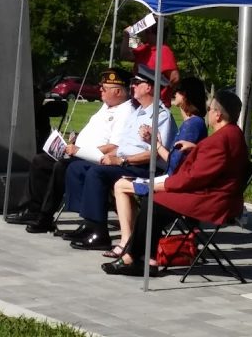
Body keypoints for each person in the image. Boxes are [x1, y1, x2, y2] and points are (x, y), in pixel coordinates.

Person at [101, 90, 248, 276]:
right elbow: (217, 162)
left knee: (153, 201)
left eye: (210, 109)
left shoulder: (220, 140)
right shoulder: (233, 133)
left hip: (212, 199)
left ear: (217, 115)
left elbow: (193, 178)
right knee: (154, 202)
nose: (208, 113)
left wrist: (160, 185)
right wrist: (196, 148)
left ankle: (134, 257)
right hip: (216, 193)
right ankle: (148, 258)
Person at [7, 67, 134, 232]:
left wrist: (80, 149)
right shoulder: (106, 106)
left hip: (92, 157)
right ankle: (33, 209)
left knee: (61, 167)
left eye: (104, 88)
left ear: (118, 91)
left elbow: (114, 146)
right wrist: (76, 139)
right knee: (41, 161)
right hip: (77, 152)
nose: (100, 90)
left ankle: (45, 217)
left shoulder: (125, 112)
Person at [66, 66, 176, 251]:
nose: (132, 87)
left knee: (97, 174)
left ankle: (99, 232)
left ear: (148, 88)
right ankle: (89, 223)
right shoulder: (137, 113)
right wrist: (104, 156)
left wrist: (122, 161)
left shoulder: (161, 116)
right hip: (124, 162)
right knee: (77, 167)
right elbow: (122, 146)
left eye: (136, 84)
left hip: (144, 167)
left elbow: (154, 153)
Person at [107, 76, 207, 259]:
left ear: (184, 96)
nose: (172, 95)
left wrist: (155, 144)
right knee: (121, 184)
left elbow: (175, 165)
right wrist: (156, 143)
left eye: (176, 92)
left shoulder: (192, 125)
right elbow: (175, 160)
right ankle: (130, 240)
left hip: (173, 182)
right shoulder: (192, 123)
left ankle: (127, 242)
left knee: (121, 185)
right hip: (173, 177)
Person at [120, 23, 179, 106]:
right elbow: (126, 54)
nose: (144, 33)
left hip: (155, 105)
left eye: (146, 30)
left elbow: (174, 78)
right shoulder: (145, 48)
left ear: (151, 32)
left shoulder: (164, 50)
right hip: (139, 104)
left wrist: (159, 93)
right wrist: (128, 35)